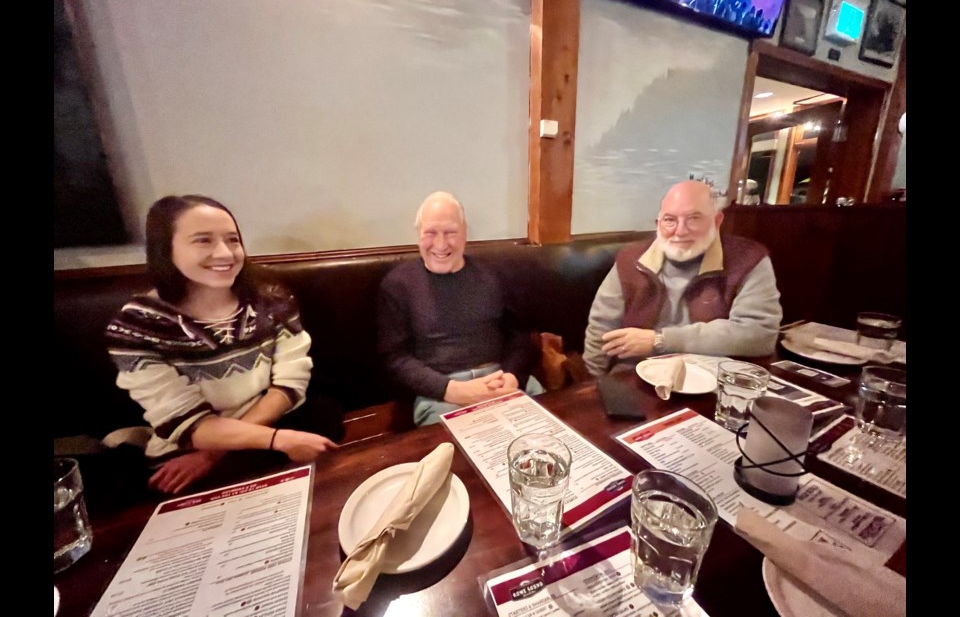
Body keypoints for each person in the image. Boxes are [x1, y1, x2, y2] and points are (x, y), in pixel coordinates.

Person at [105, 195, 343, 495]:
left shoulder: (273, 301)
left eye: (232, 240)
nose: (225, 253)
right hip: (192, 449)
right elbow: (188, 425)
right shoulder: (137, 326)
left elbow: (289, 384)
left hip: (273, 427)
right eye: (203, 240)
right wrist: (276, 440)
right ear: (166, 249)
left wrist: (213, 454)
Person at [377, 191, 543, 426]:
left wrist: (512, 376)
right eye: (431, 233)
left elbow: (519, 336)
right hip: (441, 395)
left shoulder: (495, 275)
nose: (441, 244)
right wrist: (452, 390)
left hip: (501, 382)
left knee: (553, 439)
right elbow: (395, 358)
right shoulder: (398, 284)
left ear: (465, 234)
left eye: (451, 233)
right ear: (418, 235)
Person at [583, 180, 782, 376]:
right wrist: (591, 383)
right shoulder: (630, 260)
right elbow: (601, 328)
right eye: (670, 220)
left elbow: (759, 334)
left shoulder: (749, 259)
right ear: (658, 224)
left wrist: (660, 340)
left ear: (717, 221)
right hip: (636, 376)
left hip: (714, 380)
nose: (680, 231)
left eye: (694, 218)